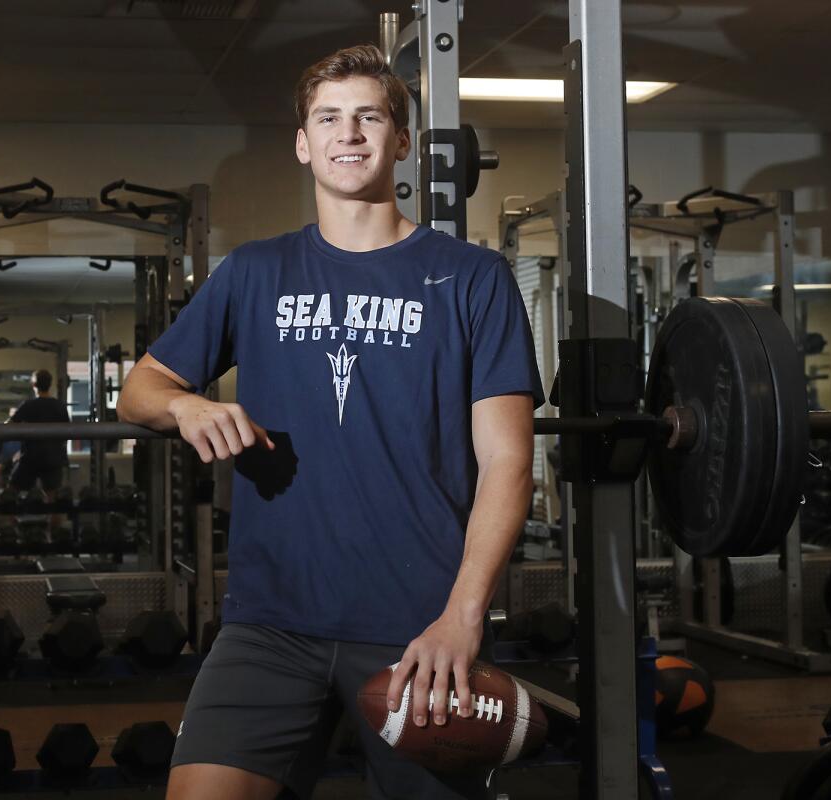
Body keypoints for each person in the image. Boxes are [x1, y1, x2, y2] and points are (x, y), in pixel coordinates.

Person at [117, 44, 543, 800]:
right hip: (270, 621)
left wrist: (462, 618)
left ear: (401, 140)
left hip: (419, 626)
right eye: (329, 119)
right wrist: (187, 404)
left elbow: (507, 463)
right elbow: (139, 388)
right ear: (303, 143)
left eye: (369, 117)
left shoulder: (473, 277)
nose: (349, 134)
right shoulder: (254, 271)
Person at [2, 369, 71, 501]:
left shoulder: (28, 405)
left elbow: (8, 426)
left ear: (34, 385)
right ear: (50, 384)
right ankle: (54, 521)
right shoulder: (59, 406)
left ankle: (9, 521)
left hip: (31, 458)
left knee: (10, 494)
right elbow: (67, 432)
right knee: (53, 499)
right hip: (53, 458)